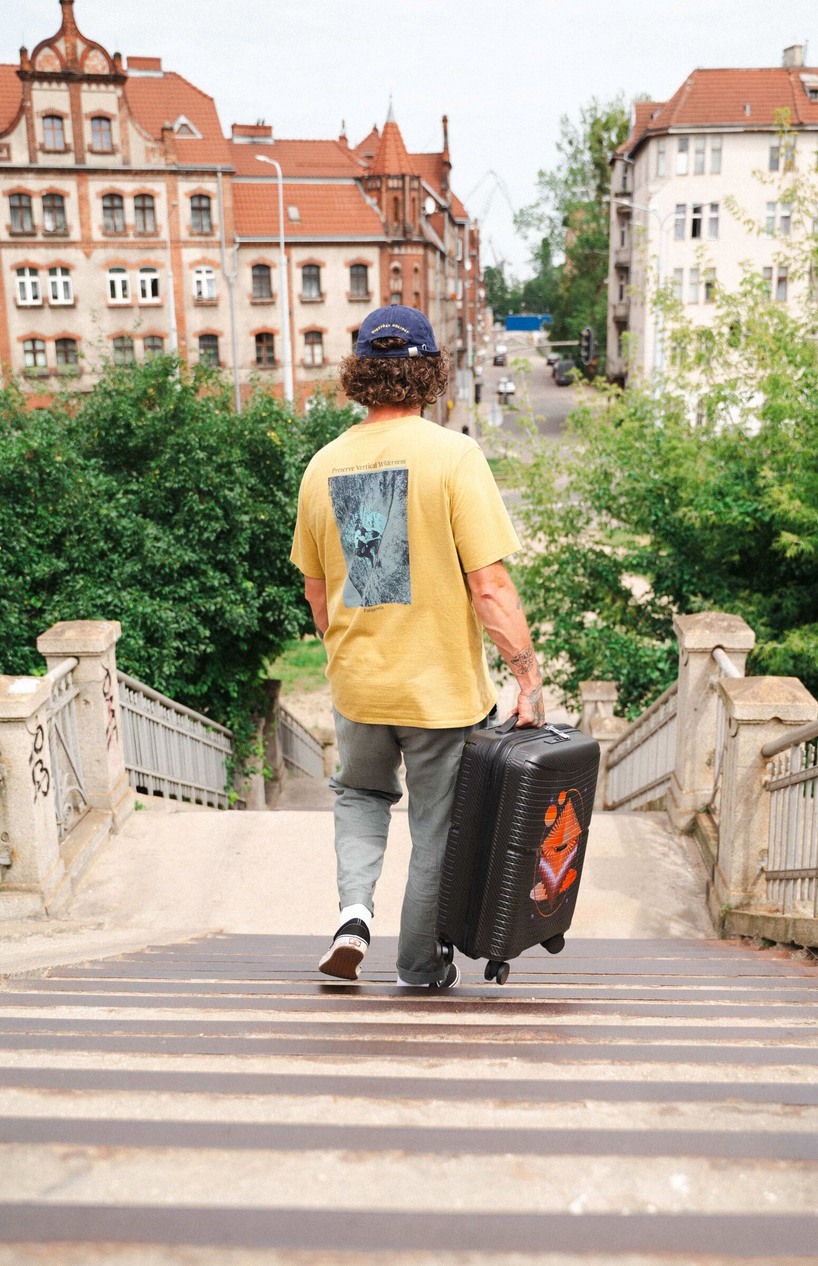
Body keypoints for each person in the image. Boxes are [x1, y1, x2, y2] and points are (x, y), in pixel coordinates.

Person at [291, 305, 545, 988]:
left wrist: (351, 656)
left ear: (358, 373)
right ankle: (418, 964)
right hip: (440, 693)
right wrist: (527, 679)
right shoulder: (454, 456)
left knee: (359, 796)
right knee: (437, 829)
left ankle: (352, 916)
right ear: (430, 371)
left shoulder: (321, 466)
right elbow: (489, 587)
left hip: (359, 687)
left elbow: (316, 595)